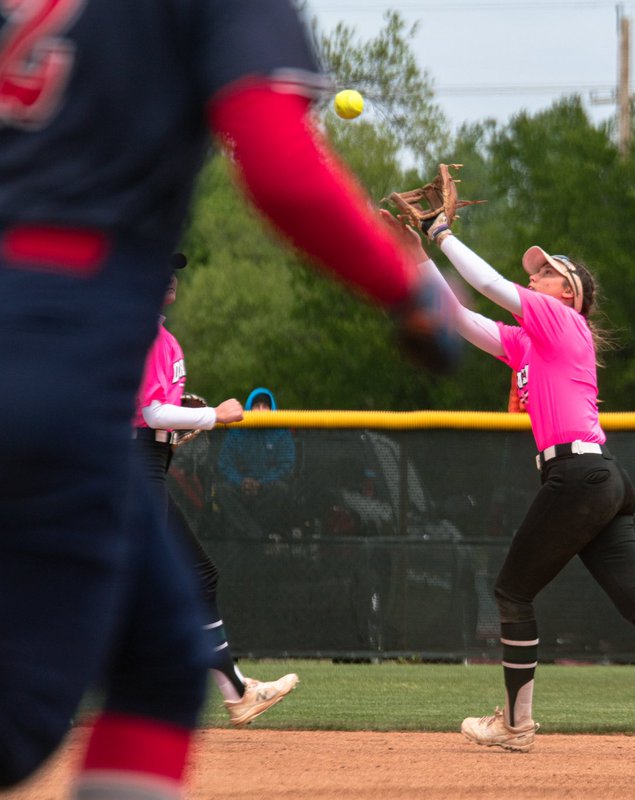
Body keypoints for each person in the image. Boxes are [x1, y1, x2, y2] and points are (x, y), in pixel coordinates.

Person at [0, 2, 455, 794]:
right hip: (47, 361)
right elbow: (278, 164)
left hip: (49, 375)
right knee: (25, 716)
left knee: (163, 651)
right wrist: (407, 286)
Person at [381, 213, 635, 756]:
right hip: (600, 478)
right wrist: (414, 253)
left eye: (546, 273)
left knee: (512, 592)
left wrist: (442, 231)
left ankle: (516, 725)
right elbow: (460, 317)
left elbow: (490, 285)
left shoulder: (565, 323)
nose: (534, 277)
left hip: (579, 476)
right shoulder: (530, 343)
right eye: (535, 273)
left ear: (570, 294)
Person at [136, 261, 299, 726]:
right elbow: (149, 412)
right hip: (135, 466)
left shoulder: (158, 335)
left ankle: (238, 691)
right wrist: (214, 417)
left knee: (186, 579)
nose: (170, 275)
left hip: (146, 465)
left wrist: (180, 411)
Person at [217, 386, 297, 536]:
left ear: (271, 409)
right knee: (222, 490)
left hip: (267, 489)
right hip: (240, 488)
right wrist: (241, 481)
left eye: (265, 406)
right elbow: (225, 464)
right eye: (257, 406)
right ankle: (255, 534)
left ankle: (253, 534)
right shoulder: (236, 432)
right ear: (249, 408)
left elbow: (286, 466)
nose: (260, 410)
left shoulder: (281, 433)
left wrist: (262, 483)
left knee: (281, 490)